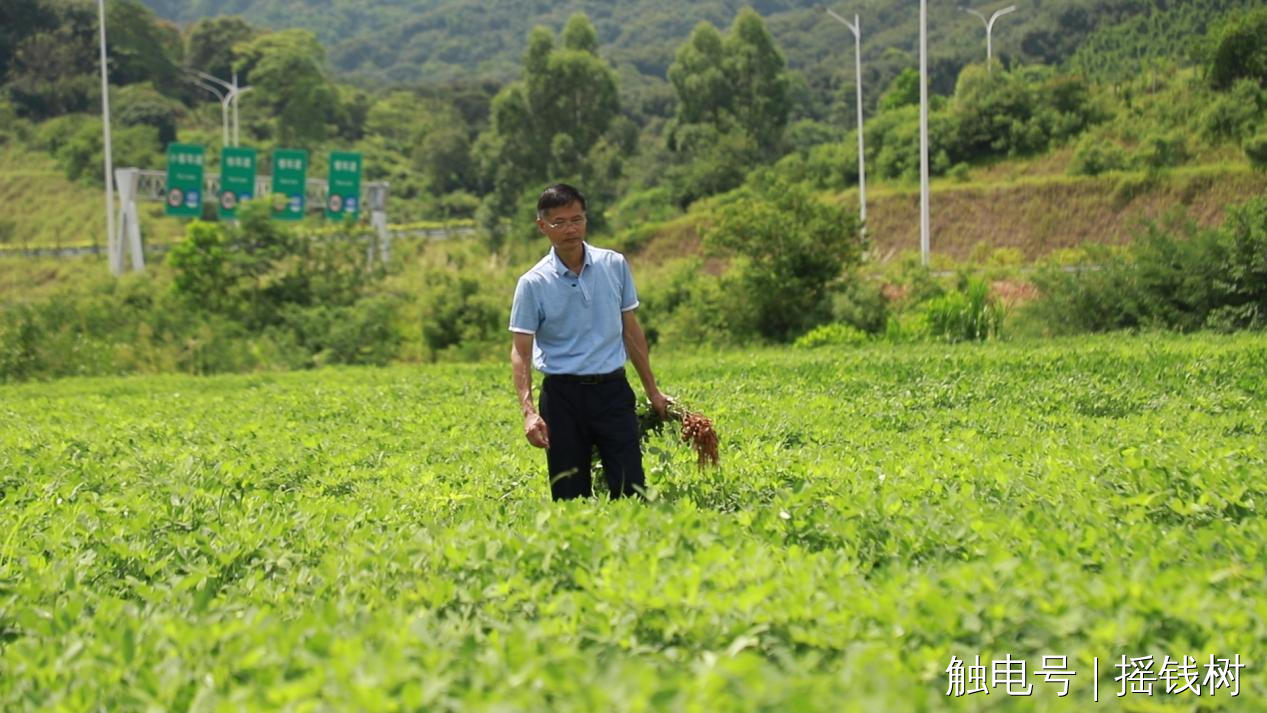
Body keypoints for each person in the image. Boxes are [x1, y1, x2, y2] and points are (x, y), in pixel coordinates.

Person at [509, 183, 669, 500]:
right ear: (543, 226)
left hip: (612, 392)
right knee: (570, 495)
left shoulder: (614, 265)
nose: (571, 229)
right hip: (562, 397)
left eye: (577, 219)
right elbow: (521, 350)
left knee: (631, 488)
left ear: (586, 219)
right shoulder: (533, 283)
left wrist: (652, 390)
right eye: (560, 222)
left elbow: (631, 332)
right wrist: (528, 411)